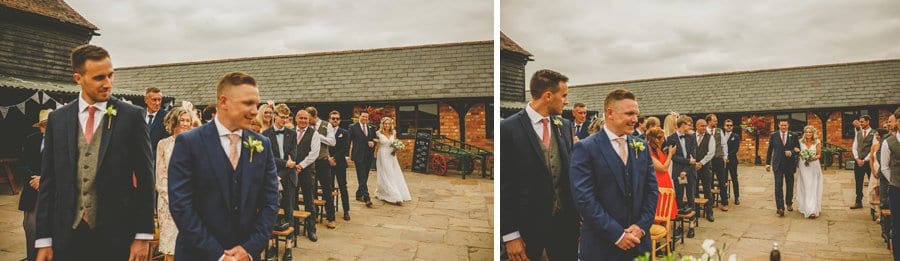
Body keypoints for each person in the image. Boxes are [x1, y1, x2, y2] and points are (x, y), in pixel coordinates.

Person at [36, 44, 155, 260]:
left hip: (117, 236)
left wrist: (143, 236)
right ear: (78, 78)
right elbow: (48, 181)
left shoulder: (132, 117)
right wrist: (44, 239)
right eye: (99, 78)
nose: (107, 83)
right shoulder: (58, 119)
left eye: (110, 75)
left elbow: (146, 179)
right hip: (67, 235)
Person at [167, 72, 279, 260]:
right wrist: (218, 255)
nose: (255, 111)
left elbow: (271, 202)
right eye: (247, 103)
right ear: (224, 102)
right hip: (197, 254)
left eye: (256, 104)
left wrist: (249, 249)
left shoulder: (263, 145)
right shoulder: (189, 142)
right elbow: (181, 205)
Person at [570, 88, 657, 260]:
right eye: (629, 113)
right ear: (610, 113)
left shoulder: (642, 147)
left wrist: (641, 227)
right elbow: (584, 198)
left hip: (638, 244)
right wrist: (618, 235)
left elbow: (652, 190)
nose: (635, 119)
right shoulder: (586, 148)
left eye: (636, 114)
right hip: (601, 246)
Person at [500, 69, 577, 261]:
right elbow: (503, 186)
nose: (567, 101)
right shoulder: (508, 129)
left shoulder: (565, 126)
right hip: (527, 227)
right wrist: (510, 235)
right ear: (548, 96)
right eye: (564, 95)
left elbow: (569, 176)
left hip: (564, 224)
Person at [155, 107, 195, 261]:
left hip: (192, 200)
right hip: (169, 201)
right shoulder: (163, 144)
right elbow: (161, 175)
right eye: (182, 120)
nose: (185, 123)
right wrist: (171, 197)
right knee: (171, 246)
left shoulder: (196, 143)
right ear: (174, 122)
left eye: (188, 120)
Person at [261, 104, 298, 260]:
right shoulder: (265, 134)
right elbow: (268, 157)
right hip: (272, 177)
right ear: (275, 116)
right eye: (282, 117)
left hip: (288, 177)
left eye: (287, 117)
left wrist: (281, 174)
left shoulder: (292, 133)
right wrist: (283, 166)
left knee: (289, 211)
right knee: (271, 211)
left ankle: (288, 246)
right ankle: (272, 244)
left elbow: (293, 157)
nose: (284, 120)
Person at [19, 108, 51, 261]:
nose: (47, 127)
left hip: (53, 191)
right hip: (33, 191)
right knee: (31, 228)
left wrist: (44, 180)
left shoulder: (64, 141)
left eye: (50, 124)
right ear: (40, 126)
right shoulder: (31, 140)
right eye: (44, 124)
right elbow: (22, 163)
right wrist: (34, 180)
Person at [293, 109, 322, 242]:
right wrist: (292, 165)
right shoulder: (290, 132)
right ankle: (294, 228)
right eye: (301, 118)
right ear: (296, 119)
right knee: (292, 199)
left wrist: (301, 165)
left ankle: (311, 229)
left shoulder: (314, 133)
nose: (303, 121)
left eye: (306, 118)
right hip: (291, 171)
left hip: (307, 172)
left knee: (309, 201)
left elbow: (314, 153)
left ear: (309, 120)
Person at [307, 107, 338, 228]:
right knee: (311, 189)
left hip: (323, 161)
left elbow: (332, 142)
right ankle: (314, 215)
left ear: (314, 116)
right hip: (310, 162)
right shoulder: (307, 126)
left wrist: (317, 136)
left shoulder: (326, 125)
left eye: (308, 118)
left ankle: (331, 218)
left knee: (327, 190)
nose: (307, 120)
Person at [666, 115, 697, 238]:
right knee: (678, 199)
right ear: (682, 125)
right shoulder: (671, 138)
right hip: (677, 172)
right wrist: (687, 162)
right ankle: (679, 225)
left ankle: (691, 225)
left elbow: (693, 156)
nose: (690, 126)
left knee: (691, 198)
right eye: (688, 124)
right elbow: (673, 157)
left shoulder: (691, 137)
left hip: (690, 172)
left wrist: (686, 170)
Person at [372, 117, 412, 206]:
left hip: (392, 155)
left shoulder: (393, 132)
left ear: (391, 125)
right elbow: (375, 143)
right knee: (386, 173)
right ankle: (394, 196)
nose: (387, 125)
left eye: (389, 124)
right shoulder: (378, 133)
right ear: (382, 124)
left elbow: (395, 142)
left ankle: (388, 191)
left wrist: (397, 148)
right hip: (382, 155)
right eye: (385, 124)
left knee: (394, 173)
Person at [766, 119, 800, 216]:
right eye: (782, 125)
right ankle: (780, 207)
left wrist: (792, 152)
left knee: (790, 185)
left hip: (790, 164)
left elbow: (798, 149)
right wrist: (767, 163)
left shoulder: (794, 135)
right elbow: (770, 150)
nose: (783, 127)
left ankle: (789, 203)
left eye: (785, 125)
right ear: (779, 125)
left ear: (788, 125)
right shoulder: (774, 135)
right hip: (778, 164)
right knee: (778, 186)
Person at [880, 108, 900, 256]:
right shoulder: (888, 142)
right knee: (897, 225)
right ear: (898, 122)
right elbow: (885, 167)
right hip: (896, 189)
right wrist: (895, 181)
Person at [648, 127, 678, 221]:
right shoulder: (649, 152)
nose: (663, 140)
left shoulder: (658, 149)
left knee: (666, 210)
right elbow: (663, 168)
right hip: (658, 182)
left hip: (665, 180)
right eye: (662, 138)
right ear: (656, 140)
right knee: (659, 209)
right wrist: (670, 154)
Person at [328, 111, 352, 221]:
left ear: (340, 120)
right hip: (328, 163)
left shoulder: (344, 132)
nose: (335, 120)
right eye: (333, 118)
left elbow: (345, 148)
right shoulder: (325, 132)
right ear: (329, 120)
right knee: (329, 187)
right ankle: (330, 209)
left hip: (340, 163)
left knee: (343, 186)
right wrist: (329, 158)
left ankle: (346, 210)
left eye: (337, 118)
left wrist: (335, 158)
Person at [349, 111, 376, 208]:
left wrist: (373, 142)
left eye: (367, 117)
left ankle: (358, 194)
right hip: (358, 155)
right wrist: (346, 155)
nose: (365, 118)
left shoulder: (371, 127)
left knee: (365, 176)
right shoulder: (353, 127)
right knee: (361, 176)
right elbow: (348, 140)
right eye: (363, 116)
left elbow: (374, 139)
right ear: (359, 116)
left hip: (369, 155)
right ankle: (367, 198)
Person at [795, 126, 823, 218]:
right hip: (803, 166)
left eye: (810, 132)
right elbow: (797, 151)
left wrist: (812, 158)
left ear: (813, 133)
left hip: (814, 166)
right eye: (806, 132)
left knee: (812, 186)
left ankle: (812, 210)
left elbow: (819, 155)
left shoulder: (817, 142)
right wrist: (798, 151)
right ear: (804, 133)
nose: (808, 134)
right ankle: (804, 207)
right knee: (805, 186)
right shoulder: (800, 141)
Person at [693, 119, 717, 221]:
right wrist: (694, 163)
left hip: (705, 168)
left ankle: (709, 212)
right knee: (694, 190)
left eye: (705, 126)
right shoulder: (691, 137)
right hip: (693, 167)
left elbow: (711, 153)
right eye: (702, 126)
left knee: (707, 190)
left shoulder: (710, 137)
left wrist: (701, 163)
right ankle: (696, 211)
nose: (704, 128)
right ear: (697, 126)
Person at [706, 114, 729, 212]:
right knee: (709, 181)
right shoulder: (704, 131)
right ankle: (710, 202)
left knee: (722, 181)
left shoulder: (719, 131)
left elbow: (724, 144)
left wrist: (725, 157)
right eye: (714, 120)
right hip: (708, 160)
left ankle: (724, 202)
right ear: (709, 121)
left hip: (718, 159)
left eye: (716, 120)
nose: (716, 122)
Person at [851, 115, 875, 209]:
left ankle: (873, 203)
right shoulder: (858, 132)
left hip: (869, 162)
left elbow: (873, 149)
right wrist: (857, 159)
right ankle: (858, 202)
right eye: (860, 122)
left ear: (868, 121)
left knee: (872, 182)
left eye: (862, 122)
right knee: (858, 182)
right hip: (858, 162)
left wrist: (865, 160)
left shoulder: (874, 133)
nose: (860, 123)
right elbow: (854, 146)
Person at [145, 87, 169, 155]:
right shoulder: (139, 115)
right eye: (154, 100)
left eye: (159, 100)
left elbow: (166, 142)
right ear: (146, 100)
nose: (157, 103)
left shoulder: (167, 117)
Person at [723, 119, 742, 205]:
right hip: (723, 161)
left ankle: (736, 197)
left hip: (732, 160)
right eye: (727, 125)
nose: (729, 127)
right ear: (724, 126)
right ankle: (724, 196)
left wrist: (727, 156)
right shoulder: (721, 136)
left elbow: (735, 149)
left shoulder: (736, 136)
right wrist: (723, 157)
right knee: (724, 179)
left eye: (731, 125)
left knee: (734, 179)